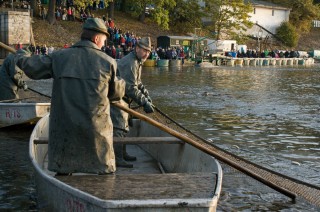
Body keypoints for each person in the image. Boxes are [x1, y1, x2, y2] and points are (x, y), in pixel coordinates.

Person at [13, 18, 125, 175]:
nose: (104, 45)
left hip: (65, 133)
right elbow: (116, 94)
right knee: (103, 172)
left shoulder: (59, 57)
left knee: (63, 170)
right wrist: (121, 83)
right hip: (96, 134)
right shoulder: (108, 62)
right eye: (104, 41)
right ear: (96, 38)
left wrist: (20, 55)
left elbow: (32, 68)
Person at [110, 37, 154, 168]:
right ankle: (117, 158)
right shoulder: (130, 63)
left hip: (123, 99)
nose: (147, 54)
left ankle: (122, 154)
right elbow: (130, 88)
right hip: (117, 99)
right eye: (144, 50)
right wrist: (144, 102)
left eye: (148, 51)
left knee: (124, 128)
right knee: (118, 128)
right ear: (137, 48)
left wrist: (145, 92)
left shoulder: (137, 61)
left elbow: (137, 82)